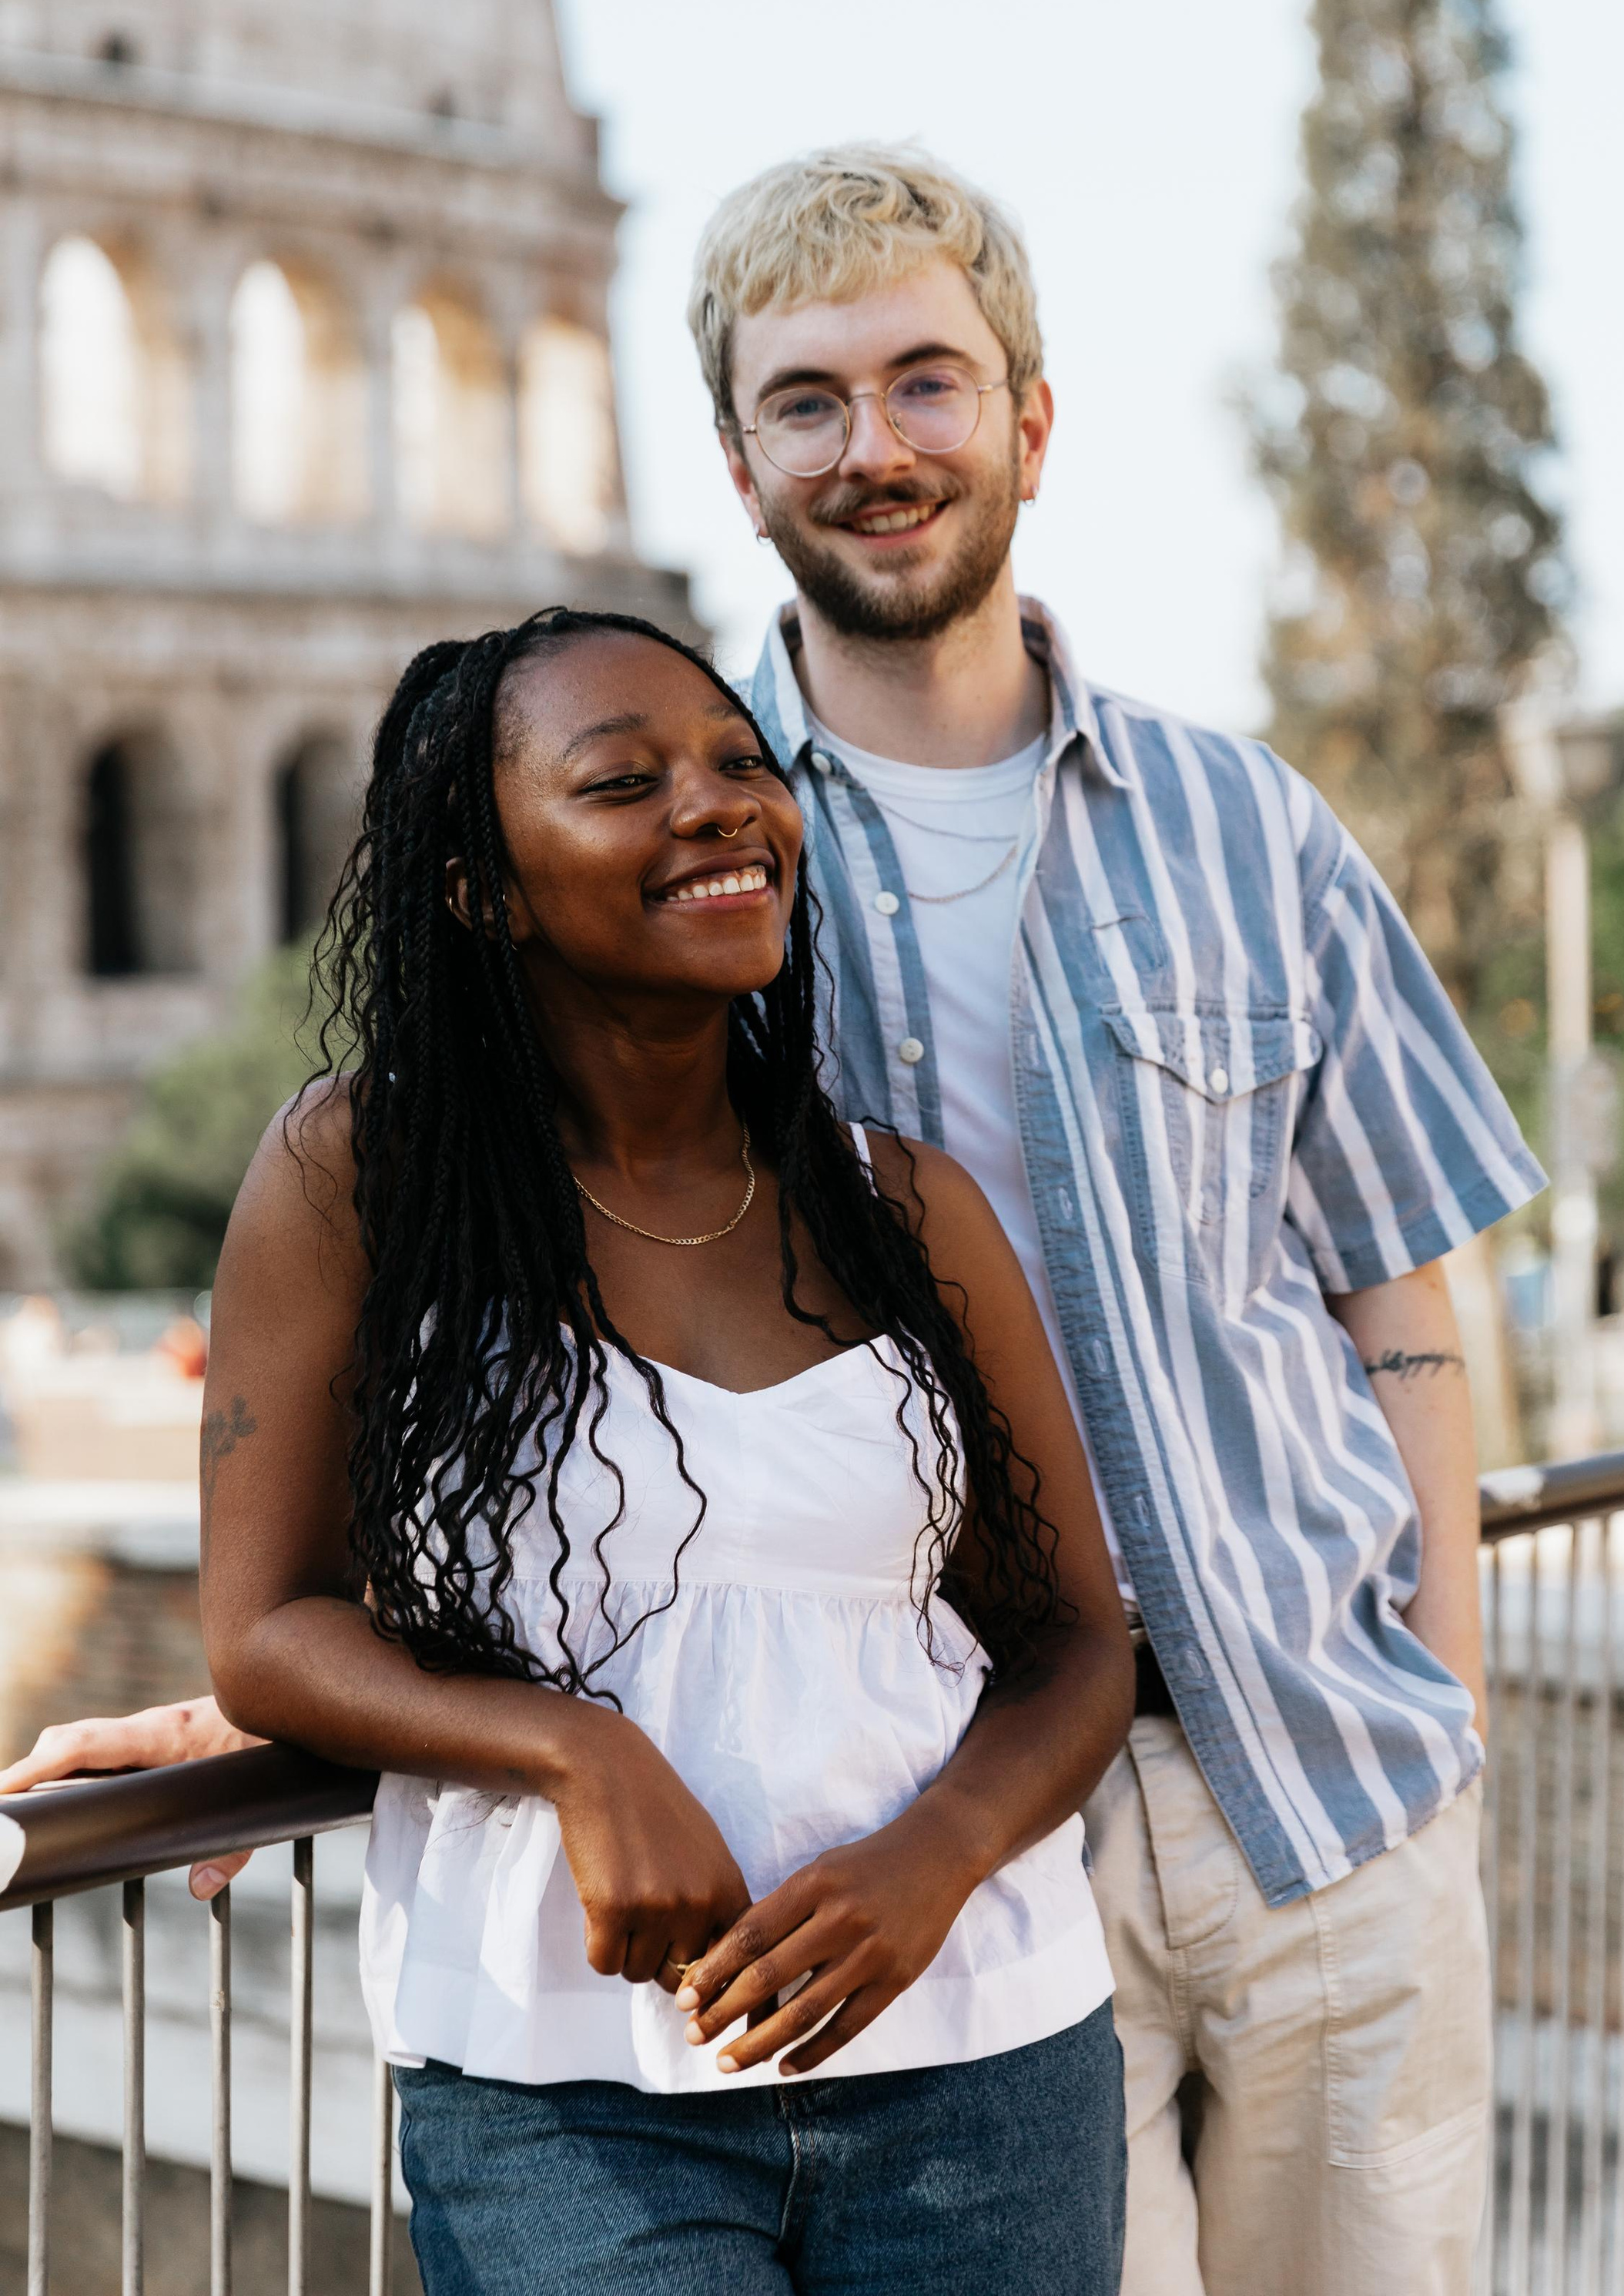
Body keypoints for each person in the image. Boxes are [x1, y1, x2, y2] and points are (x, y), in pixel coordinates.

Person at [8, 144, 1544, 2294]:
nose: (877, 447)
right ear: (735, 464)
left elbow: (1400, 1275)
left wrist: (1438, 1701)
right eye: (807, 400)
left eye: (929, 382)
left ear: (1029, 416)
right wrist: (322, 1683)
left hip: (1312, 1783)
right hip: (931, 1822)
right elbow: (522, 1338)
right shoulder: (656, 825)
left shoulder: (1239, 821)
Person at [19, 608, 1133, 2296]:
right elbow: (267, 1629)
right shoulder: (358, 1175)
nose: (717, 807)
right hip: (561, 2099)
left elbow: (1069, 1640)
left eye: (740, 766)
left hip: (983, 2057)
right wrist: (572, 1752)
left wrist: (940, 1855)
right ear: (478, 883)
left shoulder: (904, 1206)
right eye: (623, 782)